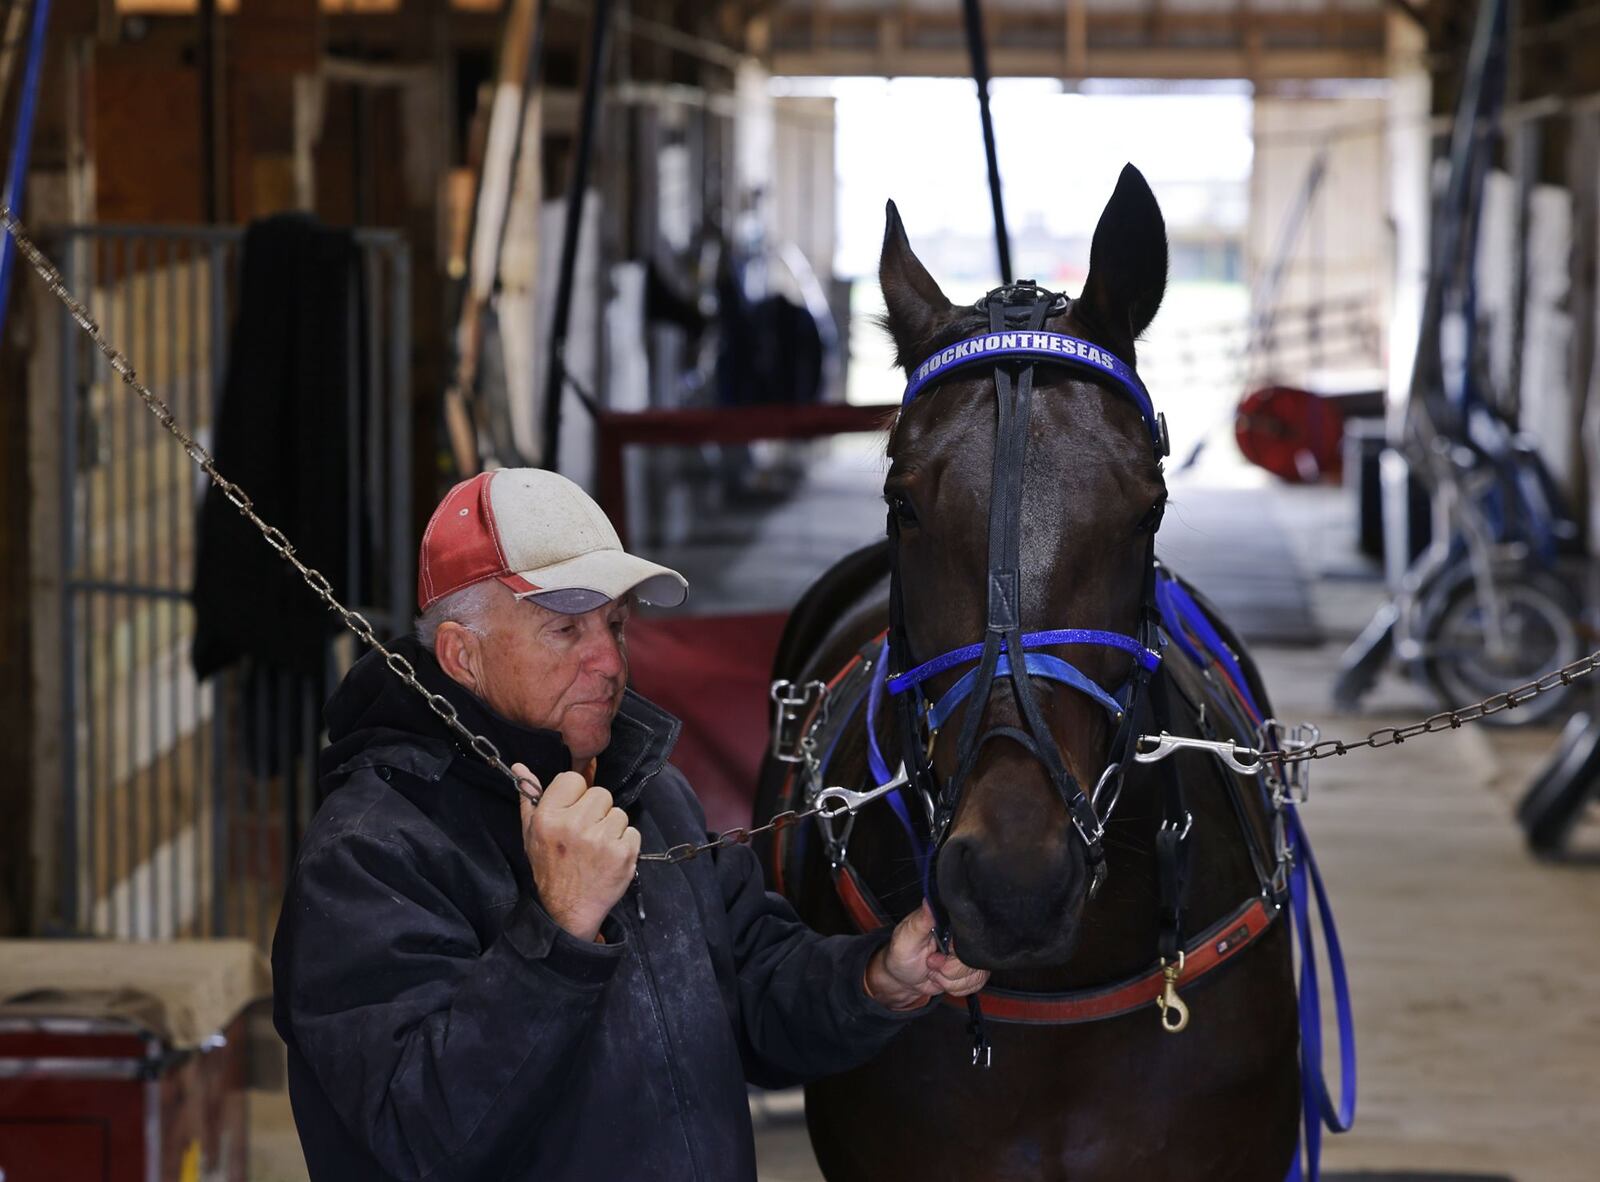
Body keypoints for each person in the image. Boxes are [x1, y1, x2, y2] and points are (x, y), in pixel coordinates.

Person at [271, 467, 987, 1182]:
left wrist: (880, 975)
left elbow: (758, 990)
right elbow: (418, 1139)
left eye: (616, 623)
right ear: (463, 655)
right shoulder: (370, 853)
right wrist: (557, 932)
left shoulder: (649, 796)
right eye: (565, 628)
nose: (610, 661)